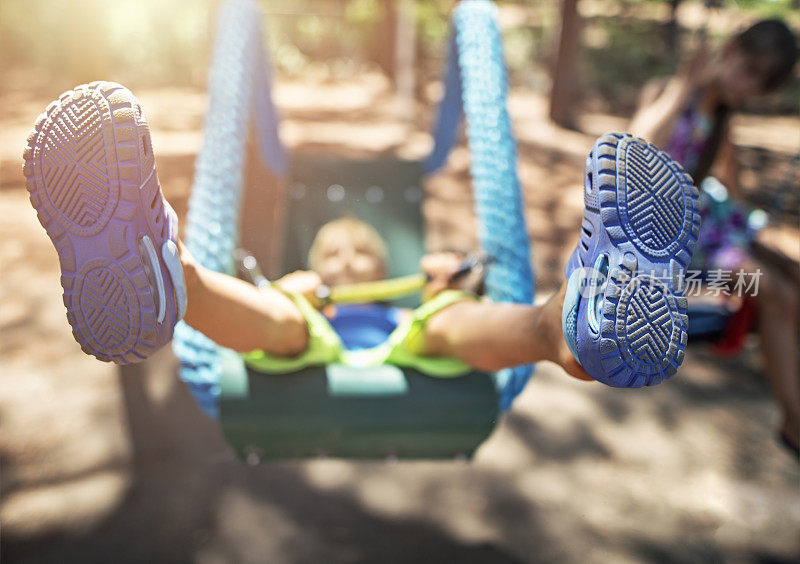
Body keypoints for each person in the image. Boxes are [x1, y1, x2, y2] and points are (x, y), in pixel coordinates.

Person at [22, 81, 701, 400]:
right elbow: (283, 310)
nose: (349, 262)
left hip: (411, 341)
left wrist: (442, 283)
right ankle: (172, 277)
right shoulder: (309, 298)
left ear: (386, 262)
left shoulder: (412, 302)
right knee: (281, 324)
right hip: (317, 343)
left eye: (362, 254)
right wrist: (301, 290)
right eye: (335, 256)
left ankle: (570, 327)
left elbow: (448, 313)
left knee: (456, 324)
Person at [629, 19, 800, 453]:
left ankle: (790, 393)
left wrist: (758, 235)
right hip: (670, 261)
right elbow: (636, 146)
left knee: (791, 281)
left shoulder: (722, 117)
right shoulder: (666, 95)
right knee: (772, 291)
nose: (749, 90)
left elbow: (732, 191)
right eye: (750, 72)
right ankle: (794, 421)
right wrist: (685, 84)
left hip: (711, 239)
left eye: (761, 85)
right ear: (730, 50)